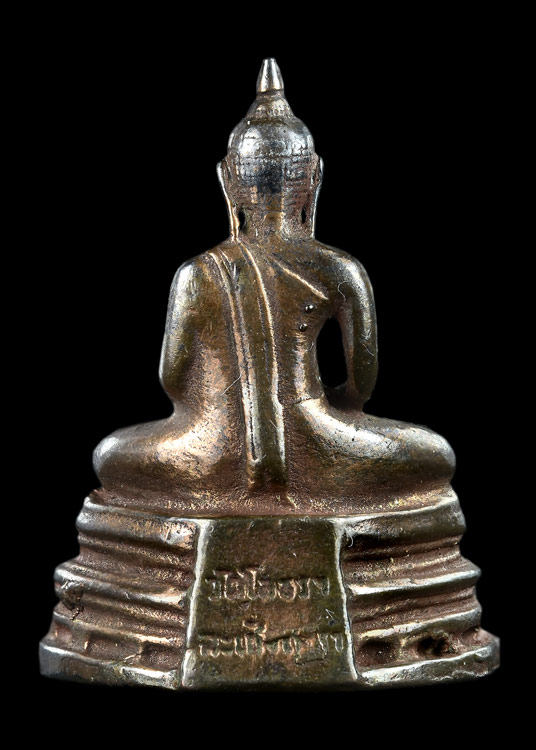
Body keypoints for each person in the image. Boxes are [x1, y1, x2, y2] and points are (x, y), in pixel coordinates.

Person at [94, 59, 454, 515]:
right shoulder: (340, 269)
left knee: (109, 454)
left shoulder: (197, 273)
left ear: (228, 179)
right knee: (436, 454)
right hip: (321, 443)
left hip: (210, 452)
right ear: (314, 176)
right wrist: (314, 409)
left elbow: (173, 380)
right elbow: (361, 387)